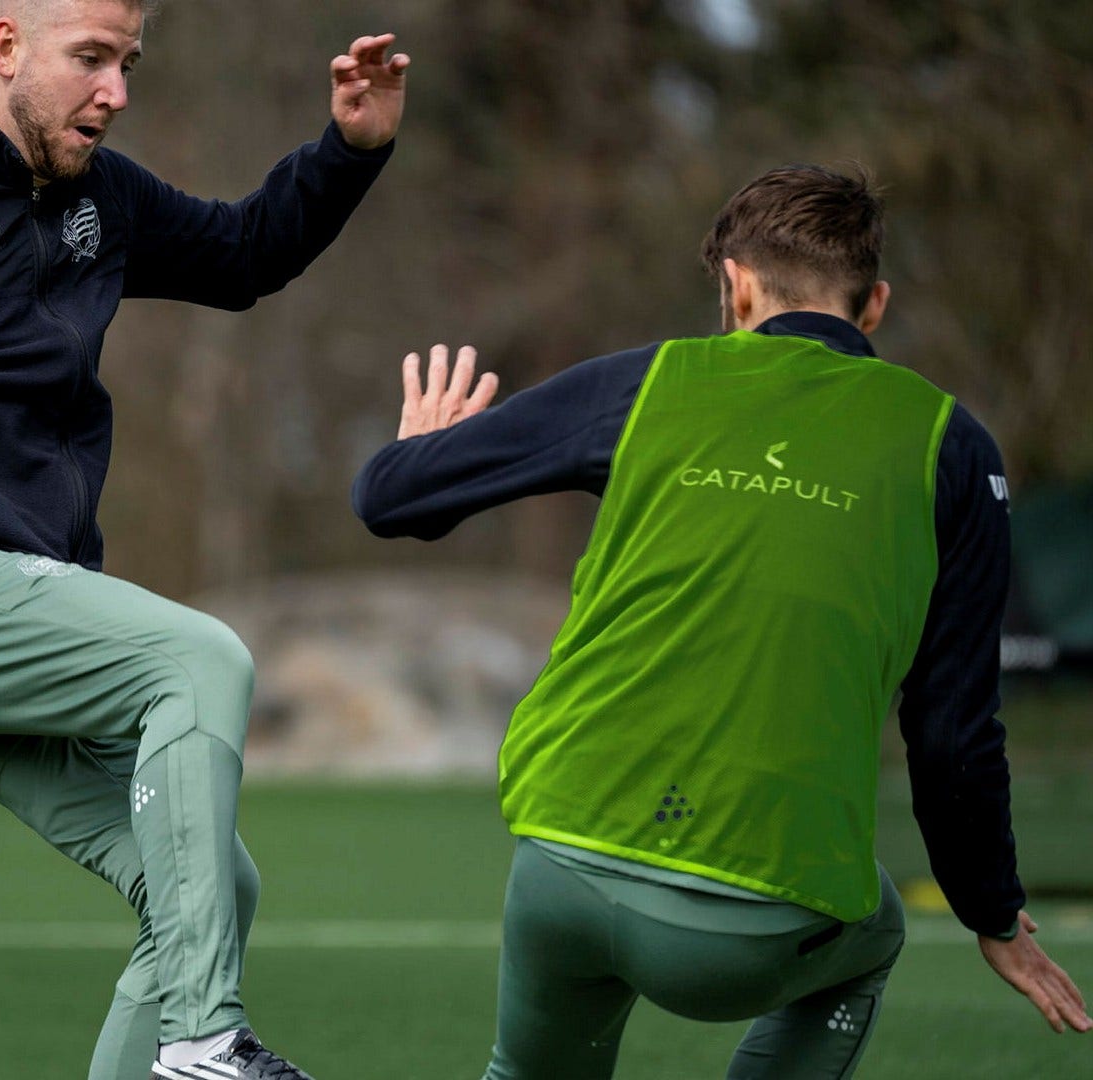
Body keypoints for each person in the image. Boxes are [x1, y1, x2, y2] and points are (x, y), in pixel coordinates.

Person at [0, 2, 407, 1077]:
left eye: (129, 63)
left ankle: (187, 1037)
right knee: (199, 655)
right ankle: (203, 1044)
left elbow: (242, 256)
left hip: (15, 606)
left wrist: (350, 149)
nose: (118, 91)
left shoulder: (104, 200)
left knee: (210, 891)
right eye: (91, 59)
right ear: (6, 47)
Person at [351, 164, 1090, 1077]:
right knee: (878, 927)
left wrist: (423, 451)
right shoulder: (953, 446)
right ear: (876, 304)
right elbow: (952, 733)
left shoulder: (650, 380)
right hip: (753, 925)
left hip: (563, 862)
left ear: (736, 286)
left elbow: (391, 498)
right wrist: (991, 910)